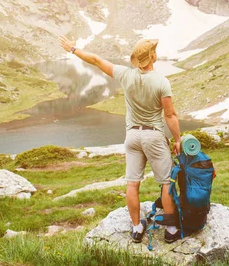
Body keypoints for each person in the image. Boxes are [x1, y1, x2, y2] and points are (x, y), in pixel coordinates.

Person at [58, 35, 182, 243]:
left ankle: (136, 228)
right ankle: (170, 230)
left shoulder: (125, 74)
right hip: (153, 135)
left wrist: (73, 49)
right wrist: (177, 139)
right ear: (152, 56)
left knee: (132, 184)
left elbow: (96, 60)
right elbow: (169, 115)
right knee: (166, 183)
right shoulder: (162, 81)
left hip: (132, 136)